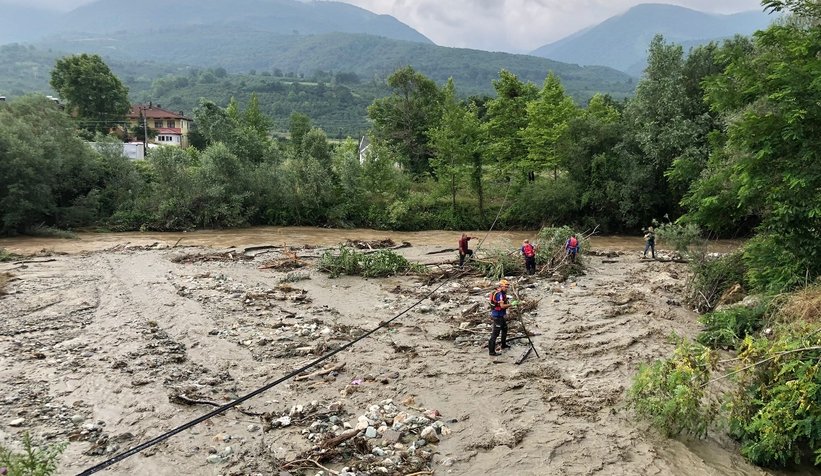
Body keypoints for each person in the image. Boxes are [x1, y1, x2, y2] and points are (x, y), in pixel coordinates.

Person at [489, 279, 516, 356]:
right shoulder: (499, 294)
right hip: (497, 316)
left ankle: (503, 345)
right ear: (501, 286)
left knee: (505, 329)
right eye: (506, 287)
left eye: (508, 287)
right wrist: (512, 304)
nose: (507, 288)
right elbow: (502, 306)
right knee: (495, 334)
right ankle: (491, 352)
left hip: (501, 315)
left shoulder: (502, 293)